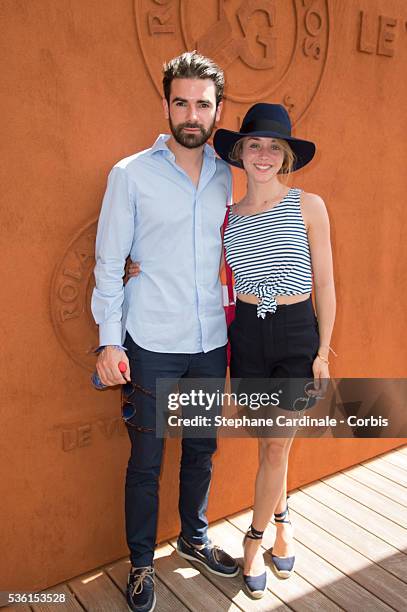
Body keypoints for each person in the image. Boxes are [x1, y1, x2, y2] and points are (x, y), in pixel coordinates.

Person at [91, 51, 239, 612]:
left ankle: (194, 538)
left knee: (201, 448)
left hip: (208, 342)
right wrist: (109, 340)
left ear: (218, 111)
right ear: (166, 105)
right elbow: (109, 263)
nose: (192, 114)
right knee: (147, 461)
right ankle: (141, 564)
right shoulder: (130, 174)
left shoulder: (230, 174)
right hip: (151, 344)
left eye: (203, 104)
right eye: (182, 102)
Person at [211, 103, 336, 598]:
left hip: (293, 334)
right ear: (240, 153)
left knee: (277, 444)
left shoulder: (309, 205)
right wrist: (135, 268)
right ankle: (283, 521)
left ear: (285, 157)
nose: (264, 155)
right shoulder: (228, 218)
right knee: (270, 446)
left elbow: (325, 283)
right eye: (255, 145)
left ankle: (254, 538)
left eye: (274, 147)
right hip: (247, 337)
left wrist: (323, 350)